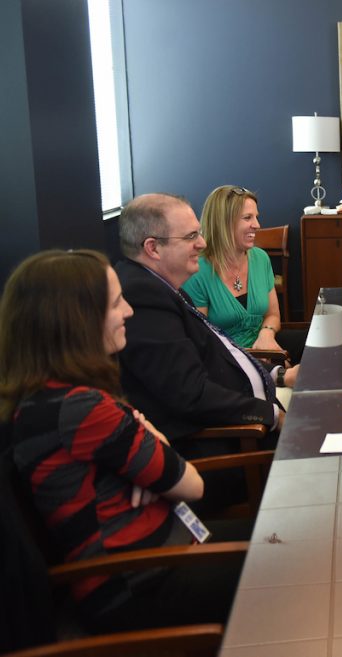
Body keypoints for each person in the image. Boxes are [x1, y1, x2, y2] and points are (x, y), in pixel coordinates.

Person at [0, 249, 241, 632]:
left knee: (283, 535)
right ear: (76, 321)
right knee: (289, 561)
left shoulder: (45, 400)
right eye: (116, 303)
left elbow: (162, 467)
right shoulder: (84, 409)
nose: (128, 312)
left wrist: (146, 450)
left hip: (158, 553)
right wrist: (146, 441)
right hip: (139, 583)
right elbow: (191, 485)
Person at [115, 193, 296, 446]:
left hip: (252, 413)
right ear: (153, 248)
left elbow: (218, 352)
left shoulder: (161, 286)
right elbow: (190, 393)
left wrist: (278, 374)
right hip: (240, 438)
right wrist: (273, 416)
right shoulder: (143, 297)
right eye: (190, 237)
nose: (201, 244)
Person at [183, 185, 305, 360]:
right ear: (223, 223)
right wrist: (254, 358)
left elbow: (272, 315)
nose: (257, 225)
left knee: (320, 344)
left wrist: (266, 336)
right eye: (247, 218)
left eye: (256, 217)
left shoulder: (260, 258)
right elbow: (202, 340)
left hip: (263, 342)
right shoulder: (198, 271)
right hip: (225, 357)